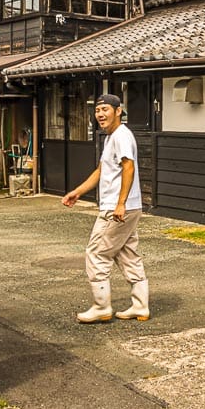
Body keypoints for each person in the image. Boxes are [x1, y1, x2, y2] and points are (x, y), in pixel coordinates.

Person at [61, 93, 150, 323]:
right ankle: (140, 306)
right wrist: (78, 191)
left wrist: (119, 204)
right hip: (128, 206)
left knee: (97, 252)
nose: (100, 114)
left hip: (118, 208)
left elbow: (128, 167)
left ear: (118, 111)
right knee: (127, 253)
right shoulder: (112, 137)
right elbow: (102, 171)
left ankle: (101, 307)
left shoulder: (121, 135)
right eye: (97, 110)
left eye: (105, 110)